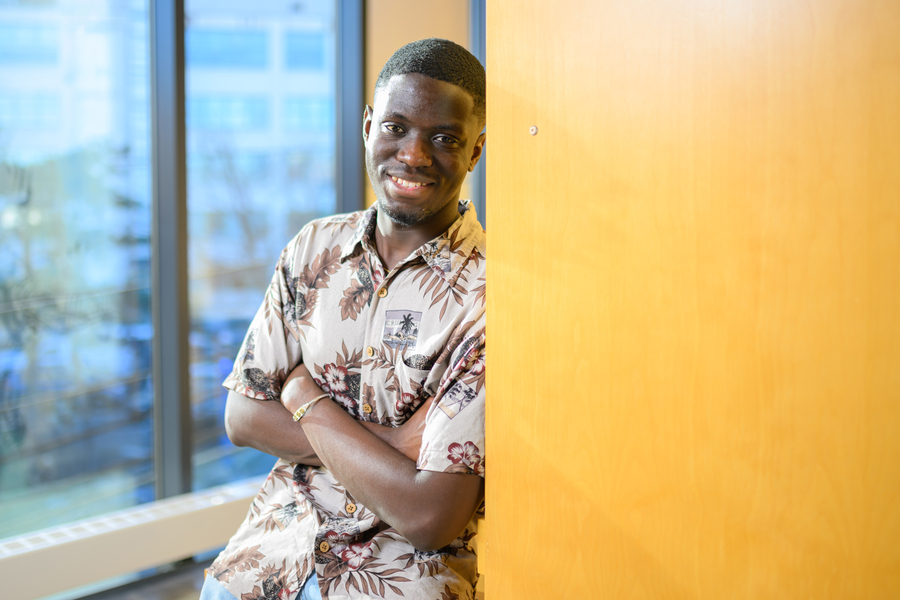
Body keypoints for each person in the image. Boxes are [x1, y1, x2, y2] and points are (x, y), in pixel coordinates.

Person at [200, 38, 487, 600]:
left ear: (476, 151)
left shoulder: (491, 294)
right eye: (395, 127)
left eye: (444, 138)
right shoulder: (313, 249)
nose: (414, 155)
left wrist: (304, 397)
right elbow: (242, 417)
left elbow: (430, 513)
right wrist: (394, 448)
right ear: (367, 126)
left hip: (399, 577)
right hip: (268, 555)